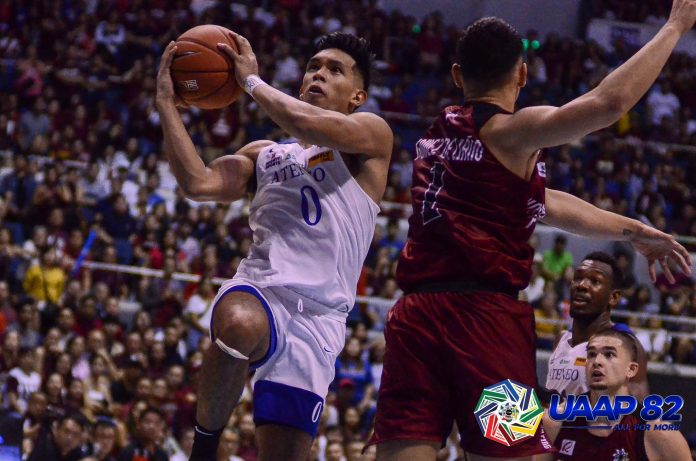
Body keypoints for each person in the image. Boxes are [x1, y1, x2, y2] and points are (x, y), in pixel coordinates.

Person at [370, 4, 695, 460]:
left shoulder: (436, 135)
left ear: (458, 75)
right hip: (486, 324)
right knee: (519, 454)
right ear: (522, 75)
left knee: (404, 450)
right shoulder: (509, 133)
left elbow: (545, 202)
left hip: (414, 321)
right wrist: (675, 27)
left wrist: (631, 229)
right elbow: (608, 104)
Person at [156, 31, 392, 461]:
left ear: (357, 96)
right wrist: (166, 107)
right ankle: (203, 450)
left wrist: (252, 83)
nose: (318, 74)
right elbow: (198, 182)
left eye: (334, 70)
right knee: (240, 323)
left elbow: (304, 123)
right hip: (262, 288)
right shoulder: (265, 154)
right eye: (313, 67)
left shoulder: (371, 135)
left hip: (320, 320)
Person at [537, 329, 691, 460]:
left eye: (609, 354)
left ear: (631, 370)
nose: (596, 361)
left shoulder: (658, 433)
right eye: (591, 354)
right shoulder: (555, 420)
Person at [545, 252, 649, 399]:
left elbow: (636, 409)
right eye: (578, 278)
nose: (582, 285)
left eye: (595, 281)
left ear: (613, 298)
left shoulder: (624, 344)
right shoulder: (561, 338)